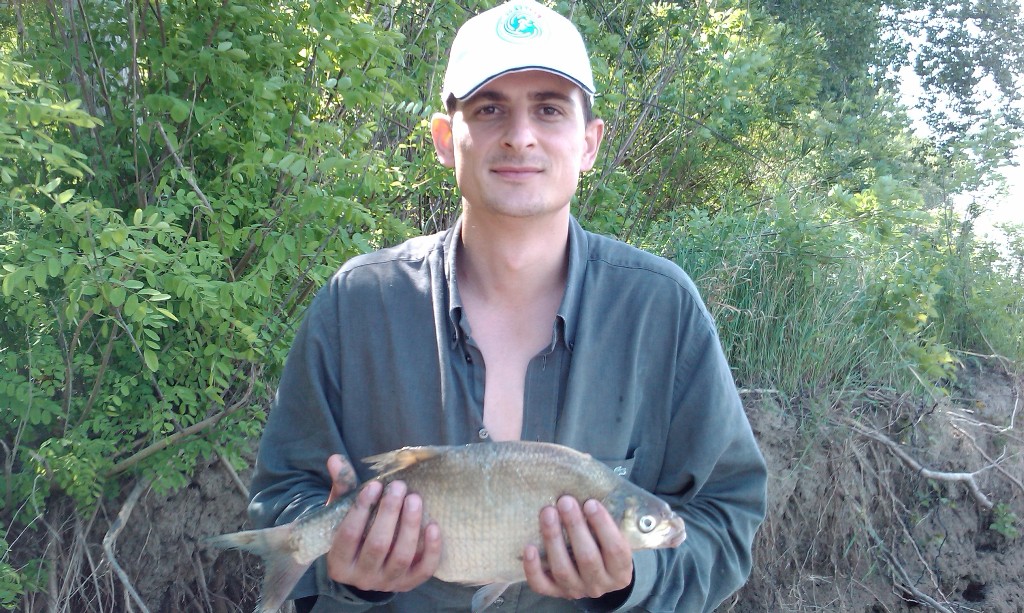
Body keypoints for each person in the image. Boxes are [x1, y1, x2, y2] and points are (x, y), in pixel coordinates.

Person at [247, 1, 768, 611]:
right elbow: (285, 492)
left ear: (589, 142)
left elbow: (727, 519)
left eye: (549, 109)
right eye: (489, 108)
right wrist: (348, 569)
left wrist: (632, 579)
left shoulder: (664, 310)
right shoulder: (357, 302)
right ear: (446, 139)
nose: (520, 136)